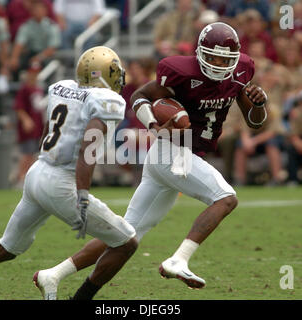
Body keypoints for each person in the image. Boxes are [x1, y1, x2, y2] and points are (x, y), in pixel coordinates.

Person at [33, 22, 268, 298]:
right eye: (212, 57)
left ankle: (56, 276)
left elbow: (255, 123)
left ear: (234, 59)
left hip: (175, 155)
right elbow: (140, 96)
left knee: (127, 235)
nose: (218, 64)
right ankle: (178, 260)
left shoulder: (241, 72)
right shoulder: (180, 71)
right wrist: (154, 127)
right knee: (226, 197)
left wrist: (260, 104)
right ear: (200, 53)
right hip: (173, 150)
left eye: (224, 59)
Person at [0, 46, 138, 300]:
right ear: (101, 74)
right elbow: (87, 148)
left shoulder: (62, 88)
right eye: (114, 72)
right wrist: (82, 195)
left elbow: (46, 133)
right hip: (62, 183)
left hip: (38, 172)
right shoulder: (107, 101)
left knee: (6, 248)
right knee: (127, 242)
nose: (119, 78)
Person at [13, 62, 45, 185]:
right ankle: (20, 178)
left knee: (33, 154)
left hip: (37, 126)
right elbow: (19, 107)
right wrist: (26, 120)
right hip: (29, 128)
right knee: (27, 154)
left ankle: (27, 178)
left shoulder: (37, 89)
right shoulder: (24, 89)